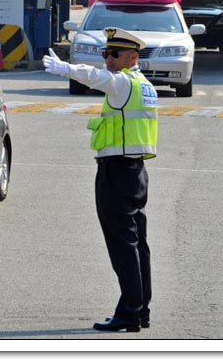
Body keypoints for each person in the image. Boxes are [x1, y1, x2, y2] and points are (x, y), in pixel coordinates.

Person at [43, 27, 158, 333]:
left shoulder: (123, 83)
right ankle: (140, 310)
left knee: (123, 246)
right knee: (137, 244)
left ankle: (130, 312)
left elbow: (96, 78)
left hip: (118, 173)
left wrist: (66, 69)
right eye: (106, 53)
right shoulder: (144, 85)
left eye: (115, 54)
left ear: (133, 58)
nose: (108, 59)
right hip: (135, 172)